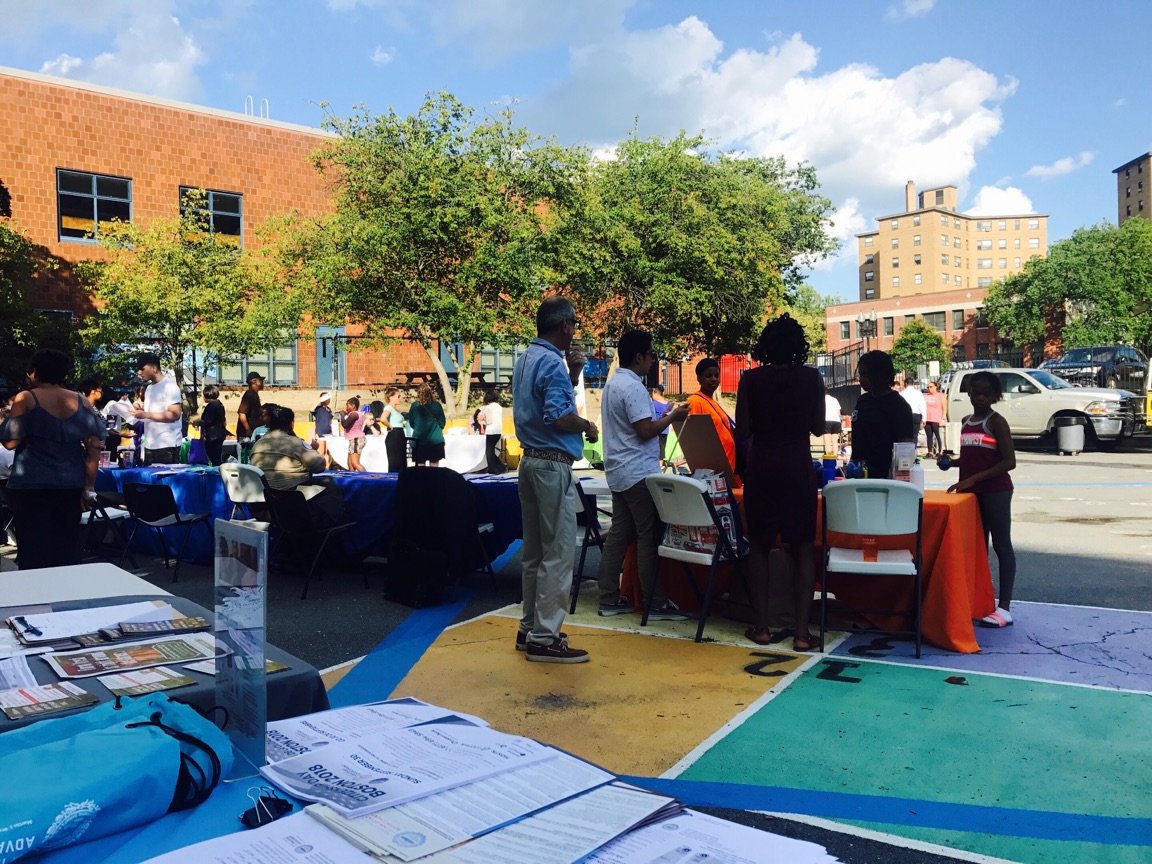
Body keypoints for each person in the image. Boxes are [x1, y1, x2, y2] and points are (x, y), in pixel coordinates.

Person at [513, 296, 598, 662]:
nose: (575, 330)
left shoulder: (526, 359)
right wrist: (587, 426)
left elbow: (544, 403)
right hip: (552, 464)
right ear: (564, 325)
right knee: (559, 551)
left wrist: (573, 375)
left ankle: (529, 626)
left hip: (530, 461)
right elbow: (558, 416)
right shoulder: (551, 361)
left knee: (534, 551)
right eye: (574, 324)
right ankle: (545, 637)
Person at [735, 314, 826, 652]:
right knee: (802, 548)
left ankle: (761, 627)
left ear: (765, 347)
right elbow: (817, 426)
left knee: (758, 545)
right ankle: (802, 634)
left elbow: (742, 431)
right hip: (797, 467)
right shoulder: (812, 378)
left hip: (763, 467)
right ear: (798, 346)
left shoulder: (750, 379)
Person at [597, 329, 691, 621]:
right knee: (647, 538)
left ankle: (608, 596)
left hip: (618, 471)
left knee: (618, 534)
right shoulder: (634, 387)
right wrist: (673, 416)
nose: (653, 361)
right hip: (638, 473)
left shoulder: (612, 385)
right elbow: (645, 430)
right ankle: (655, 601)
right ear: (639, 357)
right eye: (651, 355)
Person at [0, 348, 105, 569]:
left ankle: (38, 601)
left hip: (31, 486)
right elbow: (94, 446)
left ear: (35, 372)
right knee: (66, 550)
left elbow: (11, 442)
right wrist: (89, 486)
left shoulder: (26, 398)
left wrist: (9, 417)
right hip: (70, 484)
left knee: (34, 552)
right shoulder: (81, 401)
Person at [945, 371, 1017, 628]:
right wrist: (951, 462)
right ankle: (980, 600)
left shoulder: (997, 422)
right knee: (976, 549)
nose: (981, 397)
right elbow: (974, 457)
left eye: (987, 393)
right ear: (969, 393)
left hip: (996, 491)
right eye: (976, 392)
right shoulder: (965, 421)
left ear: (996, 395)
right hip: (972, 492)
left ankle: (1005, 607)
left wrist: (971, 481)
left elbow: (1009, 462)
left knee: (1001, 545)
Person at [251, 405, 346, 526]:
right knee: (330, 485)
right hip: (291, 501)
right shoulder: (295, 442)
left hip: (265, 503)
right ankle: (333, 525)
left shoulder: (258, 444)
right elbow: (319, 466)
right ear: (291, 423)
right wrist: (313, 449)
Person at [851, 351, 913, 480]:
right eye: (860, 374)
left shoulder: (898, 405)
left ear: (878, 375)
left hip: (885, 475)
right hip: (860, 473)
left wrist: (899, 477)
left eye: (865, 375)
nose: (861, 379)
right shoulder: (863, 401)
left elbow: (905, 447)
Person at [686, 357, 740, 486]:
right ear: (699, 378)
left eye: (716, 375)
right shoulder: (694, 401)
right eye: (708, 376)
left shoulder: (710, 401)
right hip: (713, 470)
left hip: (727, 466)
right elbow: (696, 438)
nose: (714, 379)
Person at [133, 353, 183, 465]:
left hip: (167, 444)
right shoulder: (149, 388)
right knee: (149, 481)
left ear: (154, 368)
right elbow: (151, 411)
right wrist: (139, 409)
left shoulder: (170, 386)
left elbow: (175, 414)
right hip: (150, 444)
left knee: (165, 481)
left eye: (142, 369)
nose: (139, 373)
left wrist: (146, 414)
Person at [408, 383, 446, 467]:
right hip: (436, 440)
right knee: (434, 466)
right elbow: (442, 423)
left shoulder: (414, 406)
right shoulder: (437, 405)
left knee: (420, 466)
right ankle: (433, 480)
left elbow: (411, 423)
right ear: (430, 392)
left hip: (419, 441)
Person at [195, 384, 228, 465]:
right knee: (216, 457)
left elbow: (207, 421)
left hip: (213, 436)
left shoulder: (212, 406)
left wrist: (197, 421)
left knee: (214, 458)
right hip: (219, 434)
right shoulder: (219, 404)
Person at [380, 387, 407, 474]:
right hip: (394, 435)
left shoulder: (395, 409)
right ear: (391, 397)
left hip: (399, 435)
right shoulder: (388, 407)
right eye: (398, 396)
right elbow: (383, 418)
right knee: (395, 462)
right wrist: (390, 426)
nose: (400, 398)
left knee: (401, 461)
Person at [481, 390, 505, 474]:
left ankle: (493, 468)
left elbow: (489, 421)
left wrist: (483, 420)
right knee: (491, 451)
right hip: (498, 430)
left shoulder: (488, 407)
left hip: (491, 431)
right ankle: (500, 466)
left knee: (489, 451)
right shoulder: (498, 406)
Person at [341, 396, 367, 471]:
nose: (346, 407)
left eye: (347, 405)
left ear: (353, 406)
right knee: (350, 464)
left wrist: (342, 415)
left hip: (356, 439)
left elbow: (345, 424)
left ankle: (367, 478)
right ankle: (352, 480)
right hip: (353, 440)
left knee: (355, 463)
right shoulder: (356, 414)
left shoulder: (354, 414)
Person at [900, 376, 927, 446]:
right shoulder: (919, 393)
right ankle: (913, 450)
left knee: (905, 435)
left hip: (904, 416)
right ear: (913, 384)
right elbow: (923, 406)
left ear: (905, 384)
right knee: (915, 435)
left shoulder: (902, 393)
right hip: (916, 416)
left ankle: (906, 451)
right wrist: (924, 419)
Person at [237, 372, 264, 440]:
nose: (262, 382)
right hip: (247, 435)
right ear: (254, 382)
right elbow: (242, 413)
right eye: (260, 380)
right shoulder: (249, 394)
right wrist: (248, 429)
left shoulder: (254, 394)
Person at [649, 384, 672, 466]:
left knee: (657, 448)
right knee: (662, 447)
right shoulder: (668, 404)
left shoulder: (654, 404)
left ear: (655, 393)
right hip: (666, 429)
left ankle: (659, 465)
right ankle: (661, 462)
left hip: (657, 428)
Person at [923, 380, 946, 456]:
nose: (929, 388)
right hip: (927, 418)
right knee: (929, 436)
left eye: (931, 387)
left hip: (936, 419)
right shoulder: (925, 396)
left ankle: (940, 451)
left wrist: (942, 418)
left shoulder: (940, 395)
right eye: (928, 387)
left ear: (936, 387)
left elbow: (944, 408)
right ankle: (930, 452)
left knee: (937, 435)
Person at [313, 392, 334, 468]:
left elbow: (331, 419)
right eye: (327, 398)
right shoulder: (318, 409)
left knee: (327, 452)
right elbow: (311, 410)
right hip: (320, 433)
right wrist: (319, 401)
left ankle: (327, 467)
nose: (329, 400)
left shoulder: (329, 409)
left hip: (329, 433)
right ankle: (320, 467)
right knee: (321, 451)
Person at [823, 385, 844, 456]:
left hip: (827, 420)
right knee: (835, 442)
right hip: (836, 421)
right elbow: (839, 413)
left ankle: (829, 460)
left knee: (827, 442)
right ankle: (835, 458)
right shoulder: (835, 399)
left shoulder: (821, 400)